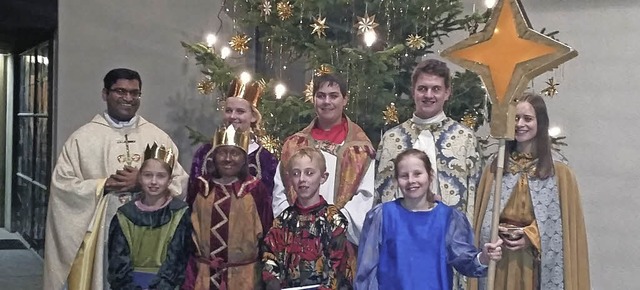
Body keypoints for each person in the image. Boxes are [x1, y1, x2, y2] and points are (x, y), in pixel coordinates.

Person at [43, 68, 189, 290]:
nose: (128, 98)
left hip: (150, 241)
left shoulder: (157, 137)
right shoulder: (82, 139)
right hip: (101, 236)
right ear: (105, 93)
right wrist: (104, 185)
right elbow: (63, 186)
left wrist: (142, 183)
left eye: (135, 93)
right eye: (120, 91)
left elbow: (181, 181)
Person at [468, 93, 590, 290]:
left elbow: (560, 227)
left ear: (540, 123)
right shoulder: (496, 166)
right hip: (500, 260)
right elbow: (482, 218)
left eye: (528, 118)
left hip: (533, 262)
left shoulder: (559, 170)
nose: (520, 124)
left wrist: (530, 236)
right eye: (515, 118)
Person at [355, 149, 503, 290]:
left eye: (417, 174)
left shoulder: (448, 218)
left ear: (430, 175)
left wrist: (483, 257)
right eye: (404, 176)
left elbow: (464, 261)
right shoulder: (382, 216)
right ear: (396, 180)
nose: (411, 180)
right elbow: (366, 269)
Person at [272, 73, 376, 248]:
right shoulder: (294, 145)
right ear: (313, 100)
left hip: (341, 242)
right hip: (297, 240)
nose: (326, 101)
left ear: (345, 99)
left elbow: (365, 196)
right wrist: (295, 226)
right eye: (321, 96)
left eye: (333, 96)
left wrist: (333, 227)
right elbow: (280, 190)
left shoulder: (360, 148)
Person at [376, 59, 480, 215]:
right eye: (422, 89)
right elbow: (379, 194)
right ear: (413, 91)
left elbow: (474, 194)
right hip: (399, 231)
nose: (428, 95)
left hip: (446, 232)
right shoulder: (391, 138)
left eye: (436, 89)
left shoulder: (465, 139)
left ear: (447, 93)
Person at [182, 125, 273, 290]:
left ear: (244, 158)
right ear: (214, 156)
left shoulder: (254, 189)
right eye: (222, 152)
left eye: (235, 153)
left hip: (244, 279)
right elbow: (187, 229)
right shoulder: (201, 187)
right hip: (202, 277)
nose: (228, 159)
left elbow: (267, 233)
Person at [263, 147, 351, 290]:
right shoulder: (282, 221)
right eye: (296, 174)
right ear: (290, 178)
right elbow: (270, 257)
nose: (302, 179)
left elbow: (337, 267)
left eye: (309, 173)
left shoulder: (334, 220)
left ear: (323, 177)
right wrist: (273, 281)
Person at [107, 143, 191, 289]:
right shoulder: (124, 216)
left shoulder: (179, 214)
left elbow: (176, 261)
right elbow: (118, 264)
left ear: (169, 181)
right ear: (139, 178)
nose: (153, 182)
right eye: (147, 175)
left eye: (160, 176)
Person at [188, 77, 278, 206]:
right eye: (228, 110)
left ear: (253, 116)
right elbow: (192, 198)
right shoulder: (205, 153)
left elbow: (267, 206)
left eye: (240, 111)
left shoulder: (266, 160)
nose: (232, 116)